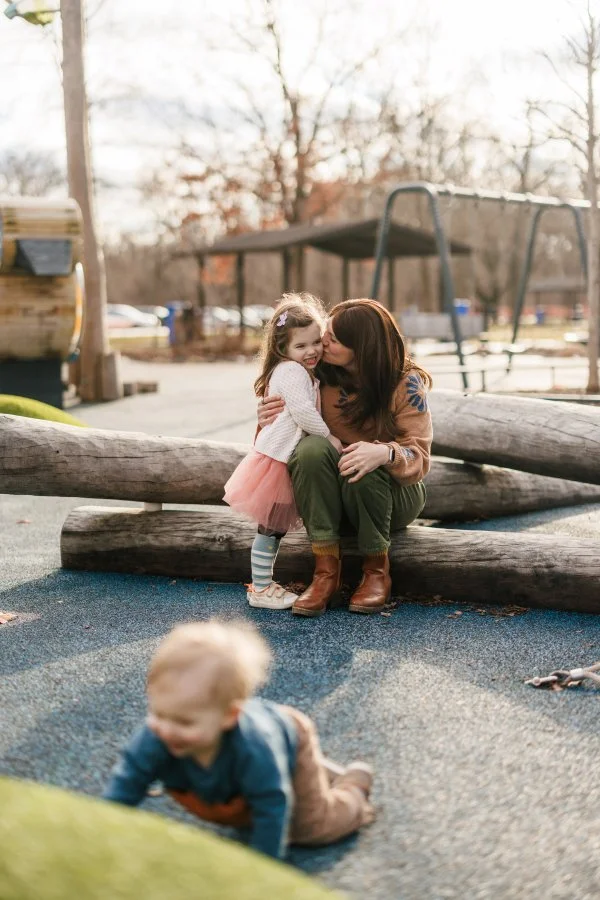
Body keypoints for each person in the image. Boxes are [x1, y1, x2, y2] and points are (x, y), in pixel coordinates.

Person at [103, 620, 375, 861]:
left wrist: (262, 870)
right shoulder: (157, 736)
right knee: (253, 798)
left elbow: (272, 806)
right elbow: (126, 785)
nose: (166, 729)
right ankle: (314, 769)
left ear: (229, 716)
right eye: (158, 713)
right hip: (265, 743)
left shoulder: (255, 749)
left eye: (184, 722)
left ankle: (354, 784)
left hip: (287, 734)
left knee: (309, 828)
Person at [258, 298, 432, 617]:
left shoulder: (405, 382)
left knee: (362, 466)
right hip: (333, 498)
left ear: (362, 348)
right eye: (327, 332)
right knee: (311, 449)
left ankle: (376, 571)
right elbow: (281, 430)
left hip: (394, 494)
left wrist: (383, 452)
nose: (323, 342)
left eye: (333, 339)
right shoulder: (316, 374)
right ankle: (326, 574)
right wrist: (268, 414)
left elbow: (419, 456)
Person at [223, 293, 343, 610]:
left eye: (316, 342)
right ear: (283, 349)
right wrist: (328, 437)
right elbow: (303, 411)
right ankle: (261, 588)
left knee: (273, 529)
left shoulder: (300, 370)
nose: (312, 351)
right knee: (271, 528)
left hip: (279, 458)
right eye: (301, 346)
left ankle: (262, 585)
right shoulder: (292, 372)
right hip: (276, 461)